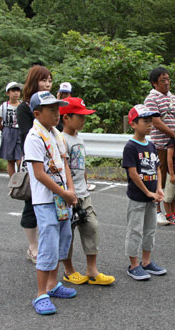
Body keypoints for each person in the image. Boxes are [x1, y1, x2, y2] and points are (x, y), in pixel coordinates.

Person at [24, 91, 77, 315]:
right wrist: (64, 193)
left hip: (62, 197)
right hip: (46, 201)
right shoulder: (34, 137)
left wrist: (71, 189)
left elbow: (64, 164)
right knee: (48, 244)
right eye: (51, 110)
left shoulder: (56, 134)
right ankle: (40, 294)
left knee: (61, 240)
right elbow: (39, 174)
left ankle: (52, 285)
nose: (57, 113)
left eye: (58, 109)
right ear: (37, 113)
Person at [59, 97, 115, 286]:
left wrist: (85, 183)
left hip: (83, 194)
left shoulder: (79, 138)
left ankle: (92, 270)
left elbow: (81, 166)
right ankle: (69, 270)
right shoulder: (60, 140)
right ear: (66, 118)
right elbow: (60, 169)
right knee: (67, 233)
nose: (83, 120)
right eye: (79, 116)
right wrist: (67, 192)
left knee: (92, 227)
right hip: (66, 196)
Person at [122, 104, 167, 280]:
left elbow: (158, 169)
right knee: (135, 230)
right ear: (133, 124)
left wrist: (159, 188)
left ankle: (146, 262)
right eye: (145, 121)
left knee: (150, 230)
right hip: (138, 197)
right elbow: (132, 173)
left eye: (151, 121)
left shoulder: (151, 145)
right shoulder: (131, 147)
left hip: (152, 197)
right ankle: (133, 265)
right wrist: (147, 192)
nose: (150, 124)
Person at [16, 65, 53, 264]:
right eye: (43, 80)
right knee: (32, 202)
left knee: (52, 202)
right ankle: (33, 246)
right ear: (33, 82)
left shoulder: (53, 103)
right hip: (34, 160)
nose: (47, 84)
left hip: (53, 160)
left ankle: (47, 242)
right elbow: (25, 134)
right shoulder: (24, 107)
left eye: (49, 80)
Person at [144, 67, 175, 225]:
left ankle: (172, 211)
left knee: (174, 179)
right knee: (159, 178)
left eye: (168, 79)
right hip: (160, 145)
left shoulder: (174, 98)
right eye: (163, 80)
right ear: (154, 83)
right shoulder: (151, 99)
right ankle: (156, 211)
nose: (167, 83)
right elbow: (156, 122)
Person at [0, 82, 23, 177]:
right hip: (8, 131)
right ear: (8, 93)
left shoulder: (23, 105)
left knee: (20, 159)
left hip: (21, 132)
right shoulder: (4, 106)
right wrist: (5, 131)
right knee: (10, 159)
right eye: (13, 91)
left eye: (18, 90)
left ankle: (22, 179)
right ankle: (13, 182)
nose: (16, 93)